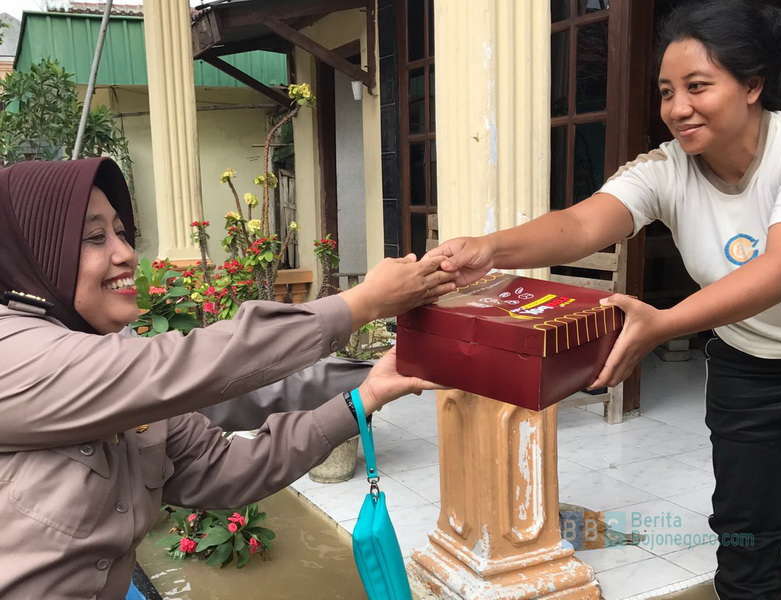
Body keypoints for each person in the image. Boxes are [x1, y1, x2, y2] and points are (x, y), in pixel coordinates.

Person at [428, 1, 781, 597]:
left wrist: (663, 322)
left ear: (752, 85)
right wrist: (488, 248)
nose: (678, 108)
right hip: (748, 369)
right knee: (747, 533)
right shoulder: (666, 169)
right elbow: (578, 225)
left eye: (698, 86)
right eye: (666, 91)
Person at [0, 157, 456, 599]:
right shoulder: (13, 353)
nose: (125, 253)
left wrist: (366, 395)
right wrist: (361, 304)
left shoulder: (120, 377)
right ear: (38, 255)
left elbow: (221, 467)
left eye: (121, 232)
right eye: (94, 237)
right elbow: (185, 364)